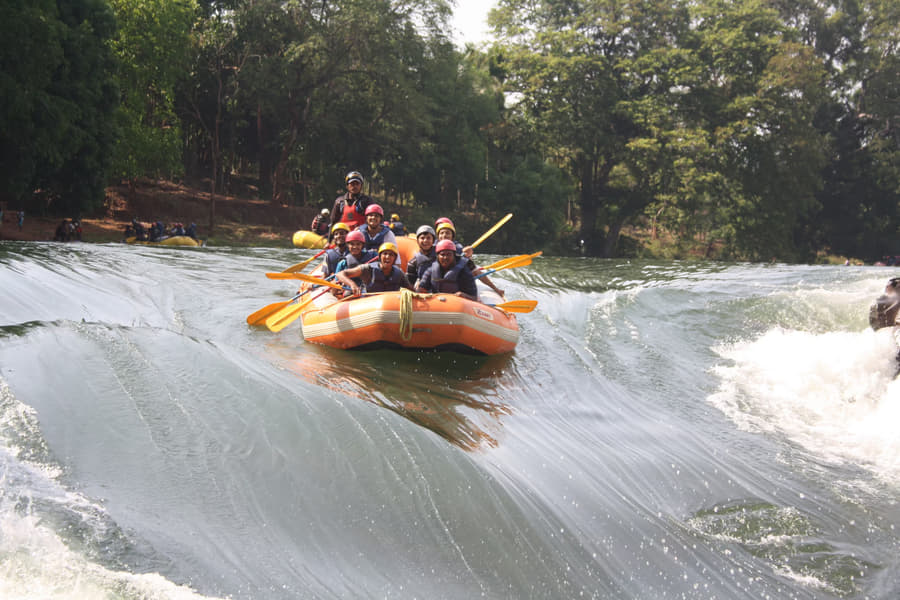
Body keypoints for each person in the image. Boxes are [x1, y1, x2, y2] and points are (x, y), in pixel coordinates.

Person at [435, 222, 504, 297]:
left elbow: (473, 269)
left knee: (475, 271)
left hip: (457, 284)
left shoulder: (458, 248)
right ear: (438, 236)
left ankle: (496, 290)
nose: (444, 235)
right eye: (441, 233)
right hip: (439, 285)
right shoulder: (432, 248)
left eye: (447, 233)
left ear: (452, 236)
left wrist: (468, 256)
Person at [336, 242, 412, 296]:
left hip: (390, 307)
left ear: (395, 259)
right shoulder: (368, 269)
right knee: (347, 294)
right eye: (385, 254)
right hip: (368, 304)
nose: (387, 257)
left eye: (391, 255)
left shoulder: (399, 273)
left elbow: (411, 290)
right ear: (379, 257)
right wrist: (352, 285)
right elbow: (340, 274)